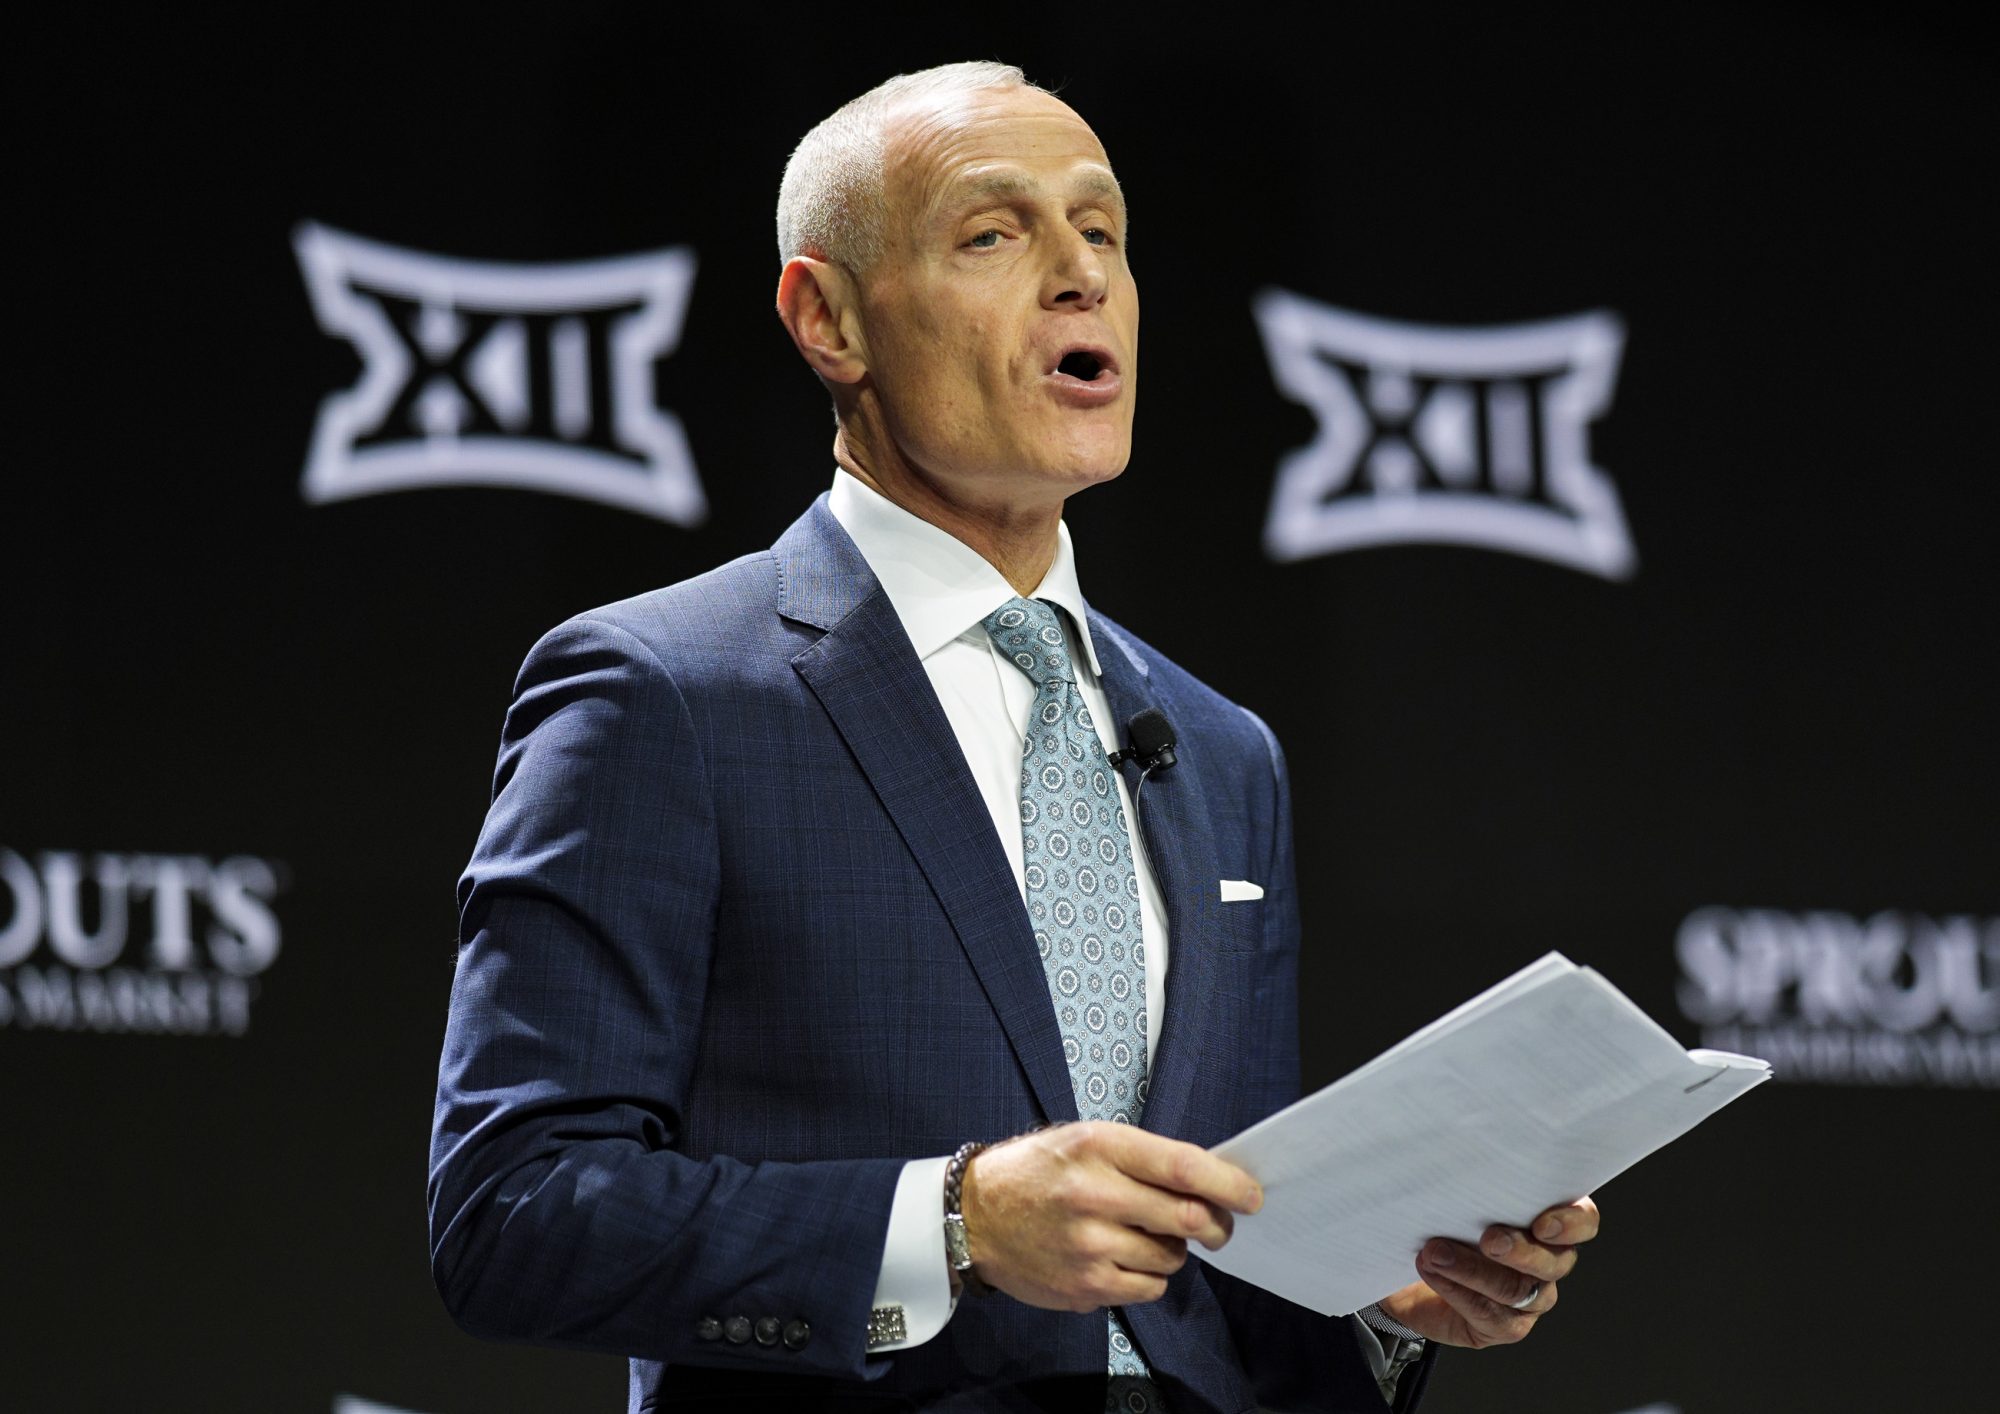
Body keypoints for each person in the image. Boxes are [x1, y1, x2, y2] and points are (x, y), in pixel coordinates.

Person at [428, 61, 1600, 1414]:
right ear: (829, 319)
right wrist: (956, 1225)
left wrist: (1381, 1295)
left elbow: (1218, 1277)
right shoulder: (664, 693)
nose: (1078, 275)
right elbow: (511, 1212)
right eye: (996, 234)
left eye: (1101, 232)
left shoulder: (1224, 751)